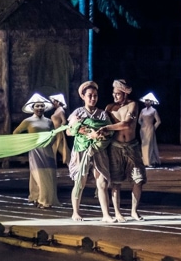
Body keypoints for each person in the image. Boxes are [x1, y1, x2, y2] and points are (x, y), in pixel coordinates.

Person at [99, 80, 147, 222]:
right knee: (116, 181)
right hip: (115, 146)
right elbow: (101, 122)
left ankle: (134, 211)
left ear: (125, 94)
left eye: (118, 94)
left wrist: (107, 128)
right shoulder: (109, 107)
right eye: (113, 93)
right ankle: (118, 213)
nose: (115, 96)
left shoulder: (133, 105)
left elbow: (126, 124)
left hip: (132, 146)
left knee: (138, 179)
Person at [66, 81, 113, 222]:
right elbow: (69, 131)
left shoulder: (102, 114)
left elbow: (110, 131)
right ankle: (75, 212)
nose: (93, 98)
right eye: (90, 95)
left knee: (102, 183)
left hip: (98, 150)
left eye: (95, 96)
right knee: (80, 182)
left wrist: (100, 133)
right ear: (83, 96)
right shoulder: (77, 113)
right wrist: (83, 130)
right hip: (81, 150)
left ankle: (106, 215)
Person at [13, 93, 60, 209]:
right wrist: (28, 142)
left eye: (42, 106)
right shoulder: (28, 121)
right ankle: (42, 200)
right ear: (32, 108)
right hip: (35, 151)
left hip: (47, 150)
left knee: (49, 174)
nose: (40, 108)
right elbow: (16, 132)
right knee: (39, 175)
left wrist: (49, 142)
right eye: (37, 106)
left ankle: (41, 197)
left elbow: (53, 134)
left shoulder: (49, 121)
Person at [138, 92, 161, 167]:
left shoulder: (153, 110)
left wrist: (154, 128)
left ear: (151, 102)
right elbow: (139, 120)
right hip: (143, 129)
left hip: (150, 129)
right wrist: (142, 125)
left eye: (148, 100)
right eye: (145, 100)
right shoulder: (143, 110)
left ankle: (149, 161)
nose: (146, 102)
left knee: (149, 145)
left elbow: (158, 121)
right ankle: (145, 161)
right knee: (144, 145)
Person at [49, 93, 70, 166]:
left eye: (55, 101)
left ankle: (70, 163)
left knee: (61, 148)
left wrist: (59, 128)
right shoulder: (57, 110)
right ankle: (53, 165)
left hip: (58, 132)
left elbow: (64, 121)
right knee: (55, 148)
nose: (53, 103)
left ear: (58, 102)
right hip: (54, 131)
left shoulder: (61, 110)